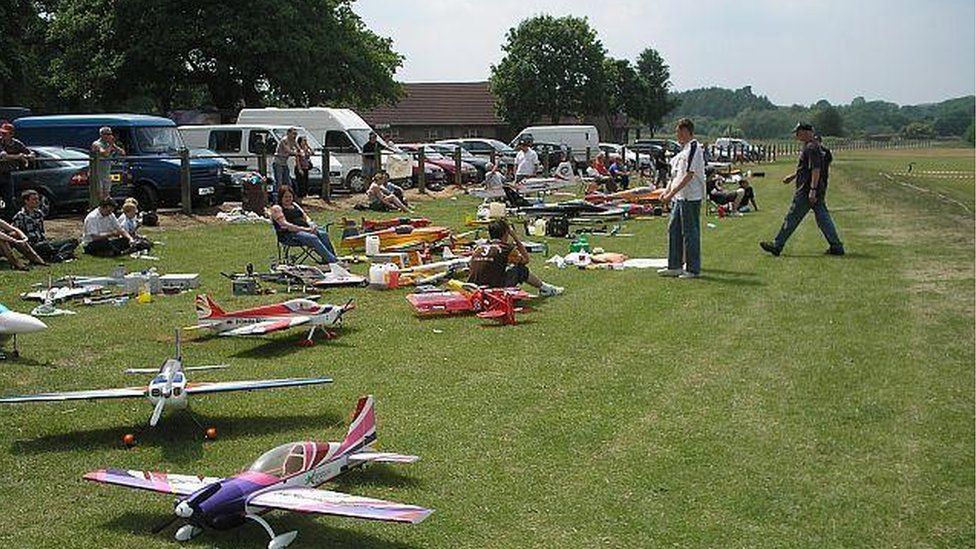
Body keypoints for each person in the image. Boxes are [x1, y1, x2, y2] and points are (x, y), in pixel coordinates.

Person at [760, 123, 844, 256]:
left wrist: (812, 189)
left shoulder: (811, 148)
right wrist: (794, 177)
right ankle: (836, 246)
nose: (796, 135)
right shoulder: (820, 148)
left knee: (792, 217)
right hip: (817, 189)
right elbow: (811, 169)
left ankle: (777, 245)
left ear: (806, 132)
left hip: (807, 190)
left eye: (798, 132)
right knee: (823, 218)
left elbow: (816, 169)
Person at [658, 118, 705, 279]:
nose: (677, 135)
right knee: (674, 228)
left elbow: (689, 175)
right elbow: (675, 176)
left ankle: (693, 268)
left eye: (678, 132)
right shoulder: (682, 152)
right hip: (679, 197)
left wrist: (670, 194)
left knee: (690, 232)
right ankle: (675, 265)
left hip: (691, 197)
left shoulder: (694, 148)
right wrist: (667, 192)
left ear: (686, 132)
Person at [468, 218, 563, 296]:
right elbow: (526, 260)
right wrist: (516, 238)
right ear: (506, 233)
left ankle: (545, 288)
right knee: (520, 269)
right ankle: (545, 289)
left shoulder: (479, 247)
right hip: (492, 289)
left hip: (473, 287)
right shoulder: (506, 248)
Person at [270, 185, 338, 264]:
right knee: (312, 238)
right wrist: (306, 230)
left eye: (290, 196)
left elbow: (305, 216)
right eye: (285, 197)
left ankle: (329, 258)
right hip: (290, 235)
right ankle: (334, 261)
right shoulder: (277, 208)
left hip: (306, 229)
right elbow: (285, 225)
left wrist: (312, 225)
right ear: (280, 197)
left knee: (323, 234)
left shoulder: (295, 205)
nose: (288, 199)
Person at [12, 189, 78, 262]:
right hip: (33, 245)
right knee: (45, 246)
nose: (37, 201)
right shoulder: (20, 216)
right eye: (34, 199)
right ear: (26, 201)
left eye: (38, 199)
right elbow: (15, 233)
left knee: (73, 241)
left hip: (44, 242)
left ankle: (58, 256)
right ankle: (63, 254)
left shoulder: (39, 214)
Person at [1, 122, 35, 220]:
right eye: (1, 133)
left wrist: (28, 156)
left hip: (6, 175)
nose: (2, 135)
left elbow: (31, 154)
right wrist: (19, 157)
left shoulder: (17, 143)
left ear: (11, 134)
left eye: (5, 133)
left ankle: (10, 222)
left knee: (10, 200)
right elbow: (4, 156)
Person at [90, 127, 125, 202]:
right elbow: (105, 154)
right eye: (107, 134)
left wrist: (114, 146)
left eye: (110, 134)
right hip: (97, 173)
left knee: (107, 194)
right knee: (99, 194)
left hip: (106, 172)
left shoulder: (109, 144)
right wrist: (110, 145)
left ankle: (106, 208)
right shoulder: (97, 144)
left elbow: (122, 153)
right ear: (102, 135)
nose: (110, 136)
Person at [293, 136, 313, 201]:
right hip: (300, 168)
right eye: (303, 141)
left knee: (305, 184)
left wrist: (308, 146)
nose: (305, 142)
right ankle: (298, 198)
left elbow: (312, 152)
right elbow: (297, 160)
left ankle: (303, 197)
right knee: (300, 184)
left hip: (306, 168)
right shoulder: (298, 150)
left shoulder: (306, 149)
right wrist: (299, 169)